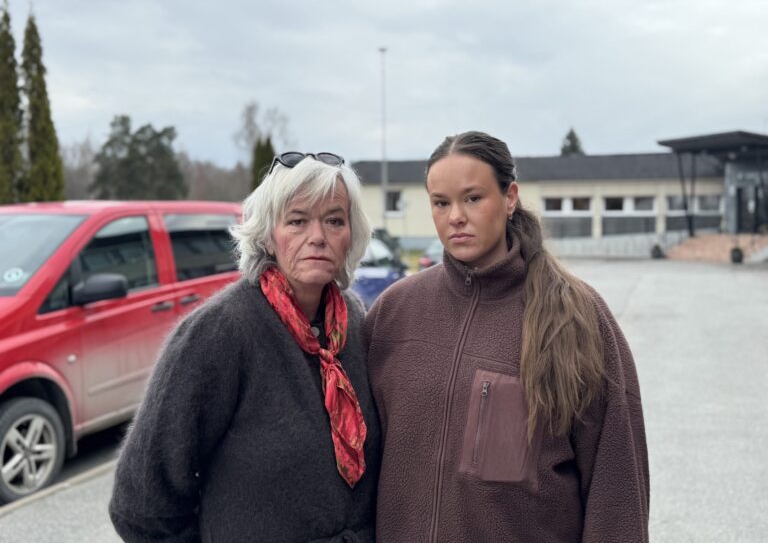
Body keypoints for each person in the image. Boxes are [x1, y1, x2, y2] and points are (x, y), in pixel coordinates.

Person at [365, 131, 649, 542]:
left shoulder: (576, 317)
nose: (455, 216)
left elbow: (616, 484)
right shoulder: (395, 312)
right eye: (441, 203)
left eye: (473, 198)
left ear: (510, 197)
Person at [110, 152, 381, 542]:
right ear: (268, 235)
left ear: (351, 234)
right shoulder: (220, 332)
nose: (318, 236)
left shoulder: (354, 321)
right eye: (297, 220)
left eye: (334, 220)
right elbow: (140, 504)